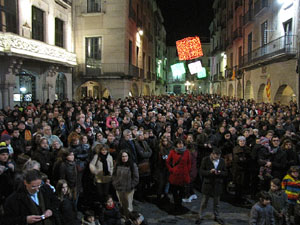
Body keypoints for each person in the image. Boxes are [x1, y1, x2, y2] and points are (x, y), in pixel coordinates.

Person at [195, 148, 227, 225]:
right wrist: (209, 172)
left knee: (217, 203)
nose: (217, 157)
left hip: (217, 184)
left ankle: (217, 216)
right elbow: (201, 171)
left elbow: (225, 172)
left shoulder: (222, 161)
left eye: (218, 156)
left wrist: (220, 172)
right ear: (212, 154)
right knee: (204, 202)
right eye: (216, 156)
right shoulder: (205, 160)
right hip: (208, 184)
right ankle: (200, 216)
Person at [166, 139, 191, 214]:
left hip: (183, 175)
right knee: (174, 191)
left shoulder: (187, 152)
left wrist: (187, 171)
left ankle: (179, 205)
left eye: (182, 143)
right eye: (179, 143)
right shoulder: (172, 152)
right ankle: (176, 205)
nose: (180, 145)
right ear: (176, 144)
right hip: (175, 175)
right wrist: (171, 169)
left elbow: (189, 162)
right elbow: (167, 162)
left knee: (182, 191)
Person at [112, 150, 139, 219]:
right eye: (123, 156)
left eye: (126, 156)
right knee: (122, 204)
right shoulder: (117, 164)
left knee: (129, 206)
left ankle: (130, 219)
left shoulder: (132, 165)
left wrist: (131, 186)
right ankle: (125, 217)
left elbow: (136, 178)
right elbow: (114, 175)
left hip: (128, 189)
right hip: (119, 188)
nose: (124, 158)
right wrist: (115, 183)